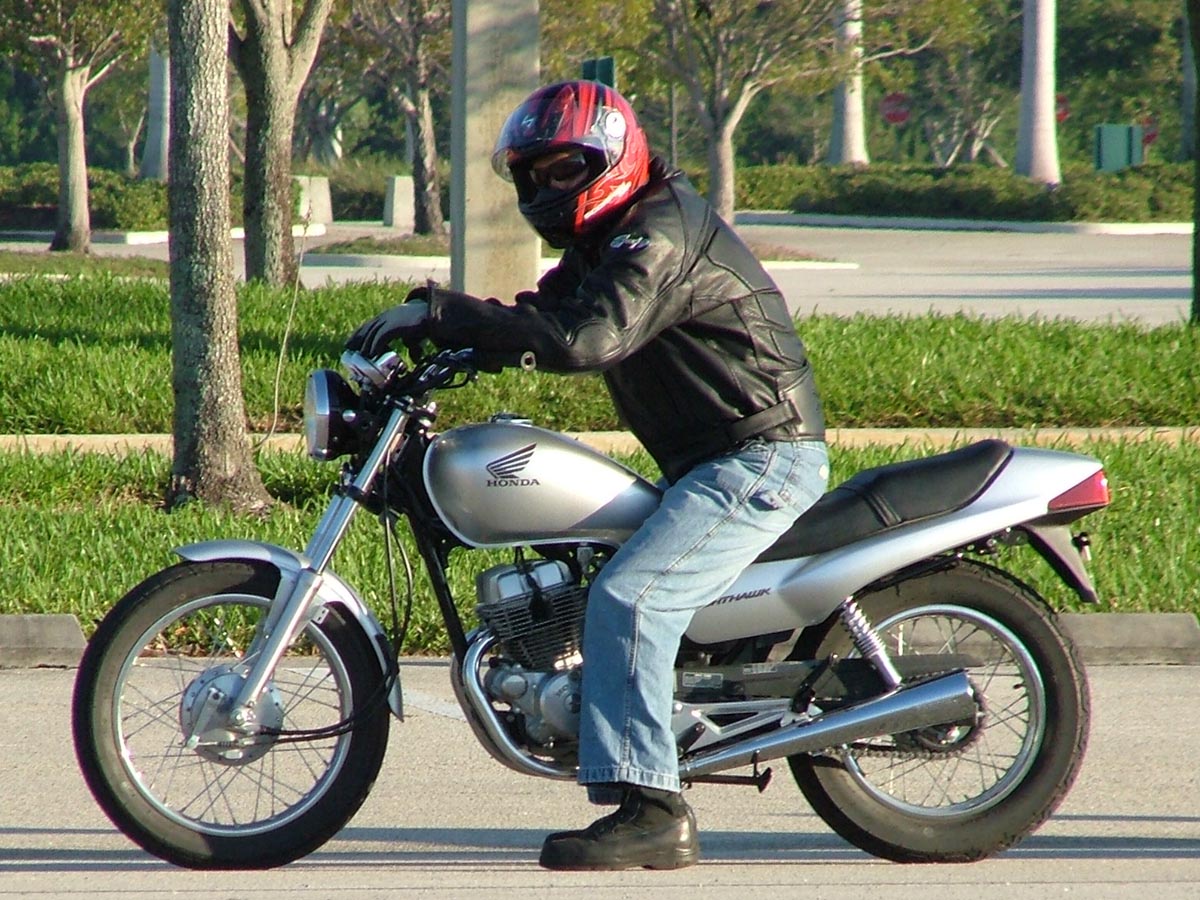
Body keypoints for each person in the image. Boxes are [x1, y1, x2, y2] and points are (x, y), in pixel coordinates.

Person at [346, 80, 829, 871]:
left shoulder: (659, 233)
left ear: (613, 156)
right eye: (535, 175)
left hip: (759, 457)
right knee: (604, 575)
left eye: (566, 168)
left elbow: (587, 337)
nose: (548, 186)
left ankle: (656, 812)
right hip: (709, 463)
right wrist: (443, 337)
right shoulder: (606, 242)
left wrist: (443, 312)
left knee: (631, 597)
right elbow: (538, 318)